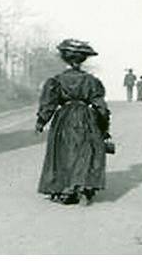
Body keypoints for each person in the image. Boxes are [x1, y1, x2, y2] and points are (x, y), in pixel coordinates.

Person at [35, 39, 111, 206]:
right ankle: (83, 187)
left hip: (64, 118)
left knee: (64, 152)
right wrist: (104, 126)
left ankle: (65, 189)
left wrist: (41, 121)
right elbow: (101, 106)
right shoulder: (91, 81)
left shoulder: (56, 80)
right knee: (85, 152)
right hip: (86, 117)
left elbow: (48, 104)